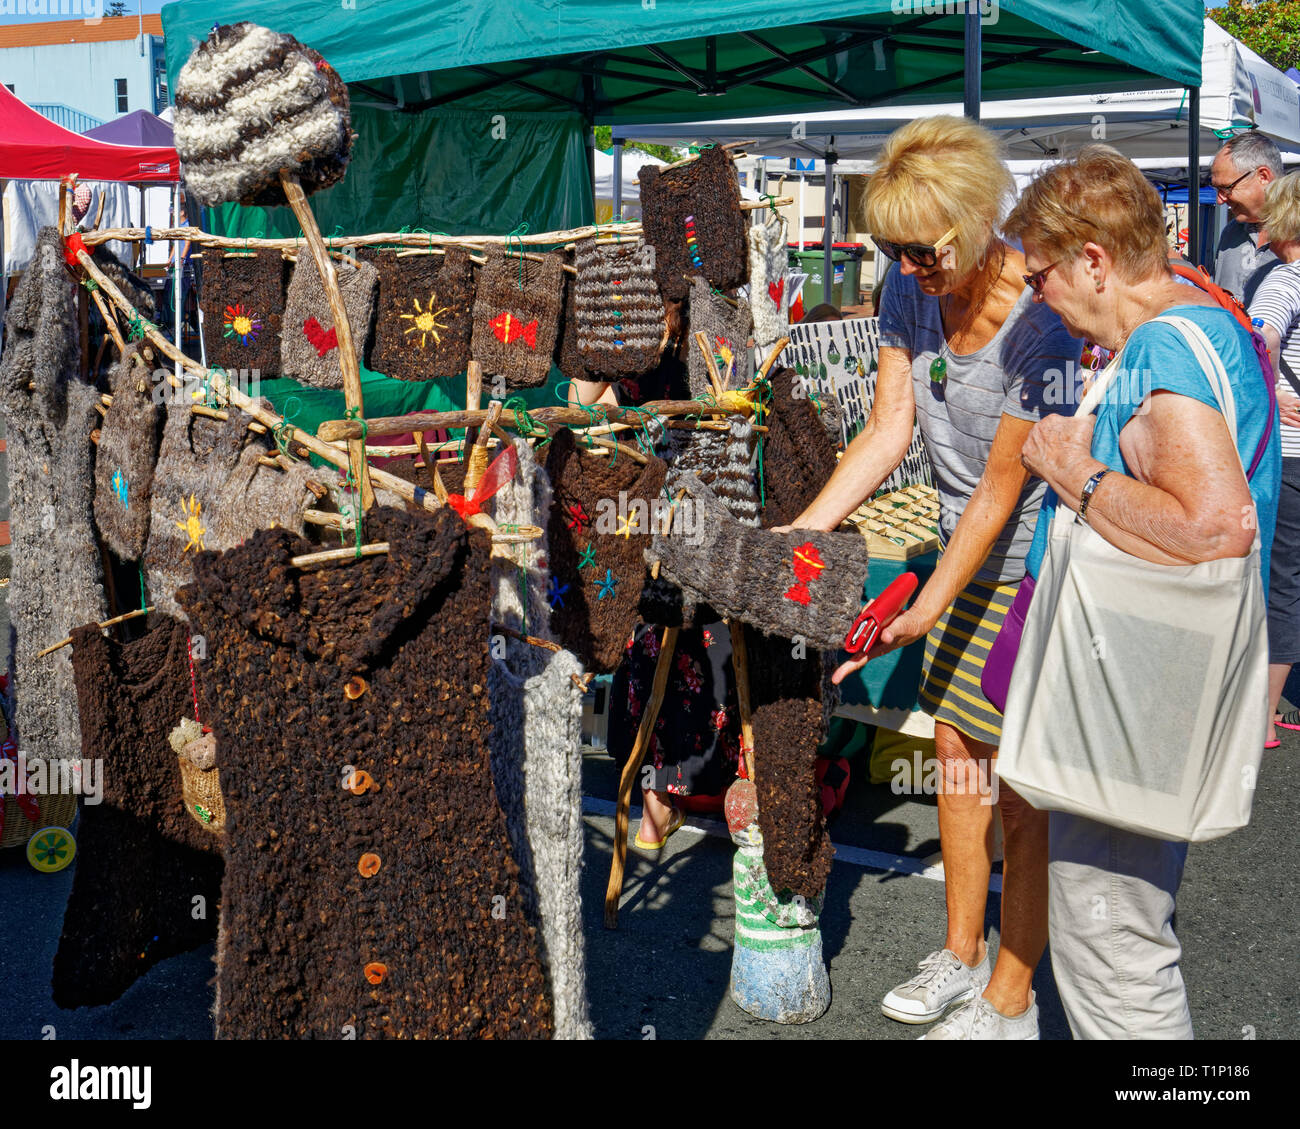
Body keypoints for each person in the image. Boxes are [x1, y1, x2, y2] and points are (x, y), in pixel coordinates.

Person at [784, 115, 1081, 1039]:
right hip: (962, 550)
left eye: (923, 248)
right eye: (893, 249)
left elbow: (1003, 488)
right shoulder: (910, 289)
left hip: (1034, 560)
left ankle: (1013, 994)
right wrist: (797, 532)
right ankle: (961, 952)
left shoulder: (1043, 319)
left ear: (976, 220)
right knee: (956, 752)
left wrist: (926, 603)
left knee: (1021, 784)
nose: (908, 267)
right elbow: (888, 430)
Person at [1004, 146, 1280, 1039]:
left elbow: (1213, 526)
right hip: (1157, 674)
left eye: (1041, 273)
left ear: (1093, 259)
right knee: (1125, 933)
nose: (1036, 295)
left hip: (1137, 686)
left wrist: (1070, 470)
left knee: (1117, 954)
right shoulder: (1203, 313)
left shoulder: (1164, 344)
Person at [1247, 171, 1300, 744]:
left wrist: (1268, 387)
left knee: (1280, 580)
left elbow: (1259, 341)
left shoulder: (1284, 280)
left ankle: (1259, 717)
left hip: (1286, 456)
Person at [1211, 132, 1282, 307]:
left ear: (1263, 176)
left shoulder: (1295, 234)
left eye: (1226, 188)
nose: (1220, 200)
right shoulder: (1231, 232)